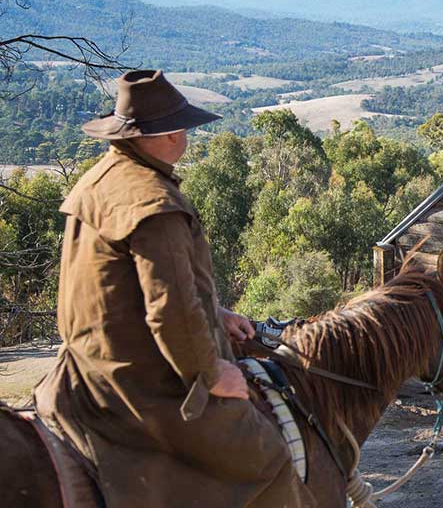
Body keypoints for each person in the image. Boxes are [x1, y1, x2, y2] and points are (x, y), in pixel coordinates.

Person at [33, 70, 315, 507]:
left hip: (81, 369)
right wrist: (211, 373)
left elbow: (129, 287)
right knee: (270, 462)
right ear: (165, 135)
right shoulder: (154, 203)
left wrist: (216, 314)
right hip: (137, 382)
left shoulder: (101, 179)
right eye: (182, 127)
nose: (186, 135)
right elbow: (169, 312)